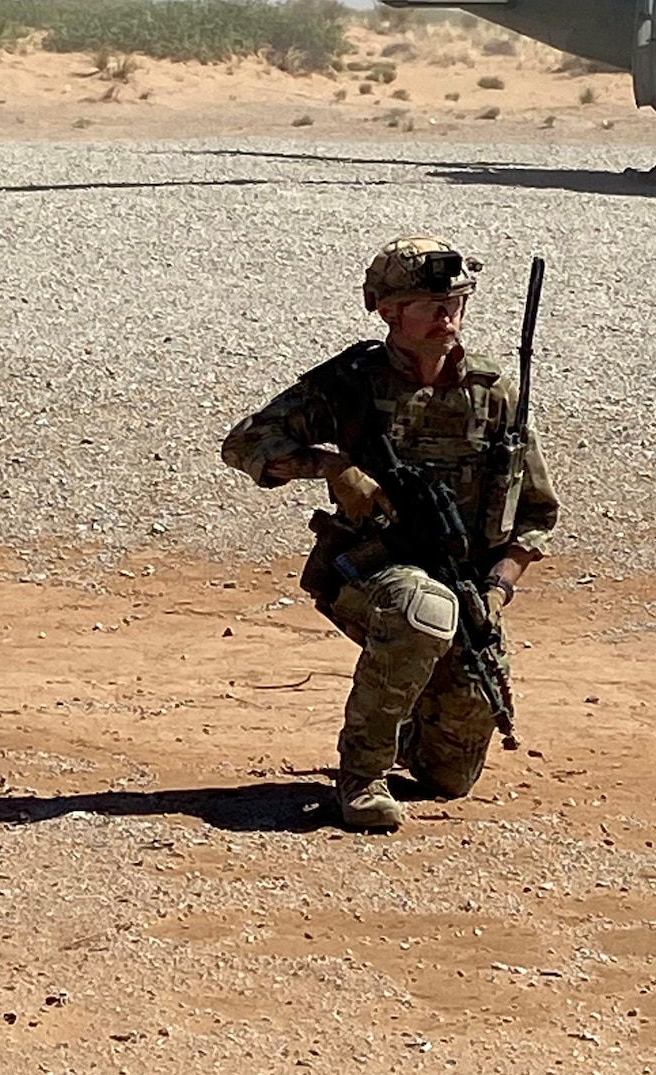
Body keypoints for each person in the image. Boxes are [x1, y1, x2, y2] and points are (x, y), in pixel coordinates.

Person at [221, 237, 558, 832]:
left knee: (449, 778)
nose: (447, 315)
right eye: (430, 305)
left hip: (468, 585)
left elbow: (535, 516)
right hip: (369, 572)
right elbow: (244, 442)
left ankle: (408, 716)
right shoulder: (351, 384)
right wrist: (328, 466)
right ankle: (361, 777)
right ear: (388, 311)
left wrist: (497, 594)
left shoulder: (492, 392)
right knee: (421, 610)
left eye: (456, 301)